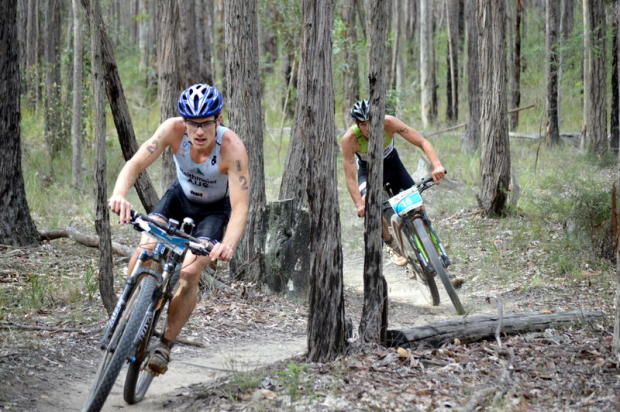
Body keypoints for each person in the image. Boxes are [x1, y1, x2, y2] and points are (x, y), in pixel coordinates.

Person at [108, 83, 249, 374]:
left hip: (213, 211)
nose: (199, 131)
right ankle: (134, 311)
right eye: (193, 123)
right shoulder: (172, 130)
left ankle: (165, 345)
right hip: (179, 198)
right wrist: (119, 194)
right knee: (146, 249)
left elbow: (240, 207)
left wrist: (228, 245)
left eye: (206, 123)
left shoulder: (232, 149)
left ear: (218, 120)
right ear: (184, 122)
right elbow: (135, 164)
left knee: (189, 272)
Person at [340, 99, 446, 266]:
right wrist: (359, 204)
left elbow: (422, 141)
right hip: (368, 172)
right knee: (371, 210)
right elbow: (350, 176)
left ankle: (433, 247)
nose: (368, 128)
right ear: (357, 124)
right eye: (363, 124)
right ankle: (391, 243)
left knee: (417, 207)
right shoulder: (350, 139)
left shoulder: (389, 123)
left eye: (371, 122)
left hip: (393, 166)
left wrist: (437, 165)